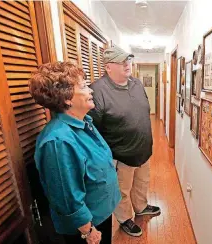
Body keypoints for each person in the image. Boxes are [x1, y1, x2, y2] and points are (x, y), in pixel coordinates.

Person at [29, 62, 121, 244]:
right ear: (66, 98)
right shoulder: (58, 142)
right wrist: (88, 231)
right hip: (86, 227)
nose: (91, 90)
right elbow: (66, 196)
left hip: (100, 215)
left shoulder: (85, 122)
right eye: (84, 86)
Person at [88, 45, 160, 237]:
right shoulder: (98, 90)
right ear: (108, 67)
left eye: (127, 60)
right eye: (120, 62)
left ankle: (141, 206)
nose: (126, 65)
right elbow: (94, 129)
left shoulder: (136, 84)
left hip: (143, 149)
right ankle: (125, 218)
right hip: (121, 155)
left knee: (142, 183)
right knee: (122, 190)